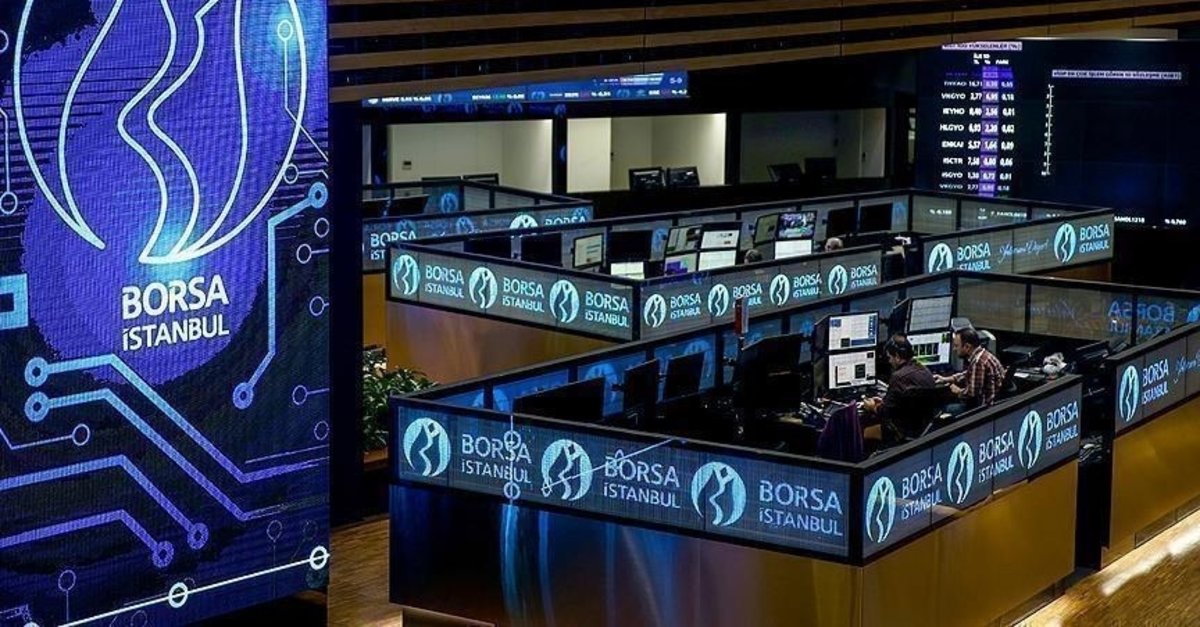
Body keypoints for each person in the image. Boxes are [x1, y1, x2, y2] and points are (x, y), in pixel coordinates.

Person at [861, 335, 937, 443]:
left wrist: (873, 407)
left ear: (897, 356)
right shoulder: (925, 371)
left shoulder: (898, 377)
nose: (889, 362)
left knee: (863, 431)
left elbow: (886, 413)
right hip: (923, 430)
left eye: (889, 358)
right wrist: (884, 402)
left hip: (901, 432)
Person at [936, 327, 1006, 410]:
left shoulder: (978, 362)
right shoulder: (984, 354)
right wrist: (947, 379)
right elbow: (969, 373)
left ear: (967, 347)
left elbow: (971, 394)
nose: (954, 349)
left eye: (956, 346)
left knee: (943, 407)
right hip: (995, 404)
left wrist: (958, 391)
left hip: (985, 409)